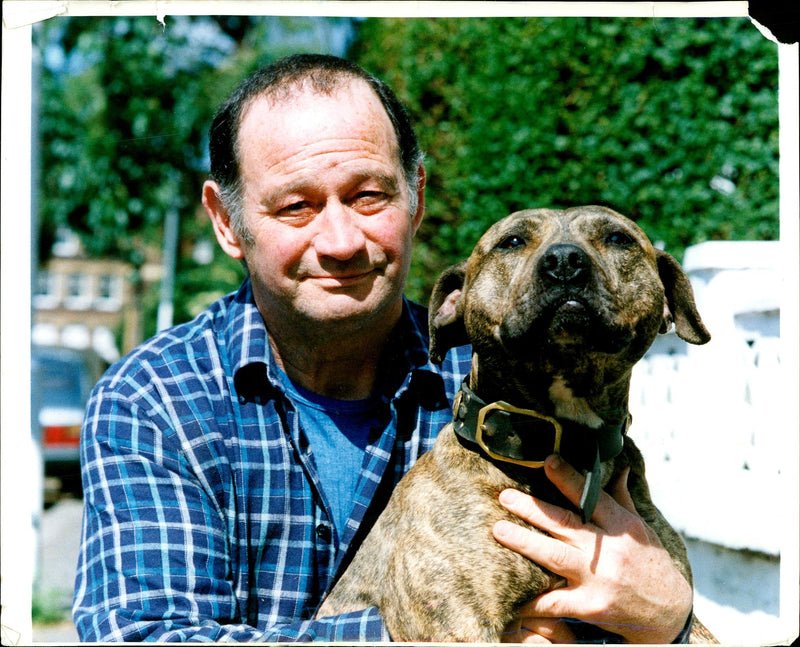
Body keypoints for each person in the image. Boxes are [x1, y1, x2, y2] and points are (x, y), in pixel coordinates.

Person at [73, 53, 693, 643]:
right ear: (227, 222)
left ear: (416, 196)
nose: (341, 241)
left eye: (369, 196)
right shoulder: (155, 404)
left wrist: (671, 622)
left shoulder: (502, 378)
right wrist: (428, 620)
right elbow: (142, 639)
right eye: (297, 206)